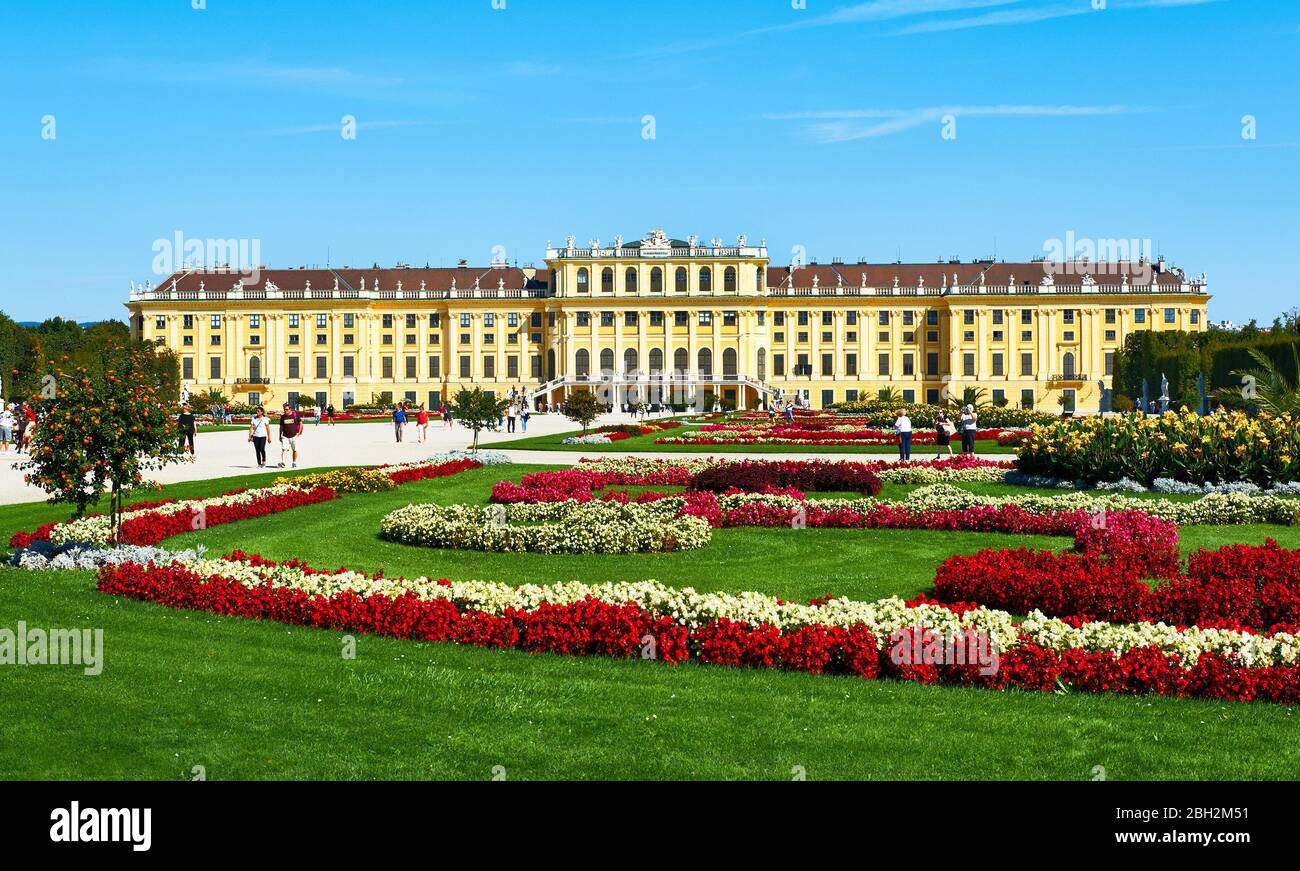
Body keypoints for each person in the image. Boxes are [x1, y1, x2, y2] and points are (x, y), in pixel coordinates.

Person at [278, 403, 302, 468]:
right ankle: (283, 462)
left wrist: (299, 432)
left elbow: (300, 423)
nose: (285, 410)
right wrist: (280, 435)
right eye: (284, 409)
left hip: (294, 435)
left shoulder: (295, 415)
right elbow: (281, 427)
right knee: (284, 449)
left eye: (286, 409)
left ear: (290, 409)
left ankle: (294, 462)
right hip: (285, 436)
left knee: (294, 450)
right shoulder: (283, 417)